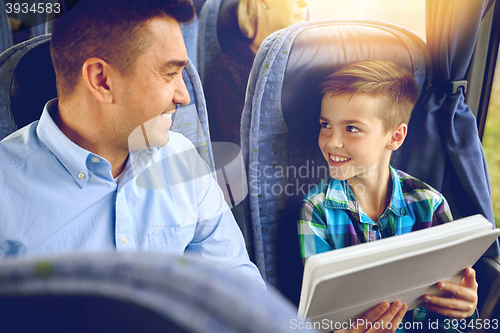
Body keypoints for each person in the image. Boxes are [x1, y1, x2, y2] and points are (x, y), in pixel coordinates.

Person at [0, 0, 264, 289]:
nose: (184, 96)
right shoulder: (6, 192)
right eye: (169, 74)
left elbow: (241, 289)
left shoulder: (183, 159)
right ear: (101, 80)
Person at [298, 60, 478, 332]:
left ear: (395, 137)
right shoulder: (317, 210)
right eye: (326, 124)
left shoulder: (429, 204)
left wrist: (465, 311)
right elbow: (321, 318)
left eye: (352, 128)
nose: (332, 141)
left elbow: (445, 304)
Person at [206, 0, 309, 145]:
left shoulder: (307, 58)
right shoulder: (229, 69)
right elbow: (243, 147)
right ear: (262, 2)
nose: (304, 3)